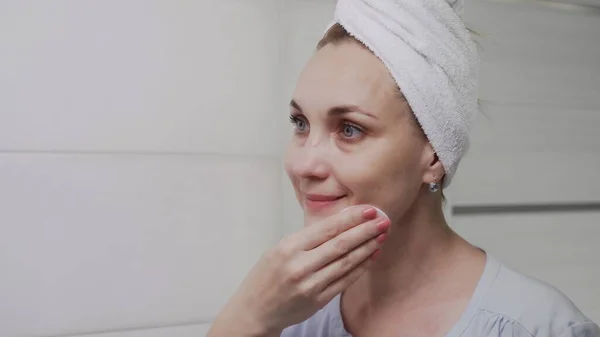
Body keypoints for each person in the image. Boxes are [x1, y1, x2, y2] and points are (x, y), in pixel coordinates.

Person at [207, 0, 600, 336]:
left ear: (434, 155)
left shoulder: (540, 327)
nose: (304, 164)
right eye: (300, 124)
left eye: (349, 129)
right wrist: (247, 319)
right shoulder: (287, 313)